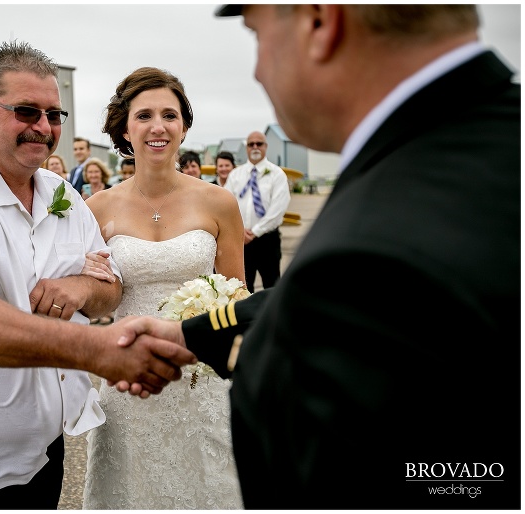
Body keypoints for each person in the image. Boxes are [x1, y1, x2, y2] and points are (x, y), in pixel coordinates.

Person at [114, 4, 520, 510]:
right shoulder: (480, 146)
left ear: (320, 22)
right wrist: (193, 333)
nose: (260, 70)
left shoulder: (382, 230)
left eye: (256, 32)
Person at [0, 41, 197, 510]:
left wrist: (80, 286)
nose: (43, 128)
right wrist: (98, 351)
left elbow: (110, 288)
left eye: (53, 115)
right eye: (26, 111)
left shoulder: (58, 194)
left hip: (44, 451)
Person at [81, 66, 246, 509]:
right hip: (126, 374)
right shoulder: (95, 208)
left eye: (170, 115)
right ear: (124, 128)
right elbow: (94, 293)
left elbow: (238, 298)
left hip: (201, 376)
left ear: (184, 127)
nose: (158, 127)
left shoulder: (219, 203)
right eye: (145, 115)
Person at [224, 130, 290, 292]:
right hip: (241, 240)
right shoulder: (235, 175)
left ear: (265, 147)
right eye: (251, 144)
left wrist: (255, 232)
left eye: (259, 144)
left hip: (267, 240)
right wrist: (239, 231)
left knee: (272, 286)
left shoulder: (277, 174)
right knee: (242, 288)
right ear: (246, 148)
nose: (255, 147)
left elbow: (278, 208)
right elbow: (226, 205)